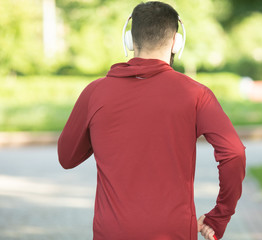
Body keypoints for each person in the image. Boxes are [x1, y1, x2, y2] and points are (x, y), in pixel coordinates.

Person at [57, 1, 246, 240]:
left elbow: (66, 157)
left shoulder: (95, 93)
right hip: (173, 233)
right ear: (177, 42)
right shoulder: (196, 94)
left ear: (129, 40)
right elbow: (234, 153)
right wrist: (220, 216)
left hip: (112, 233)